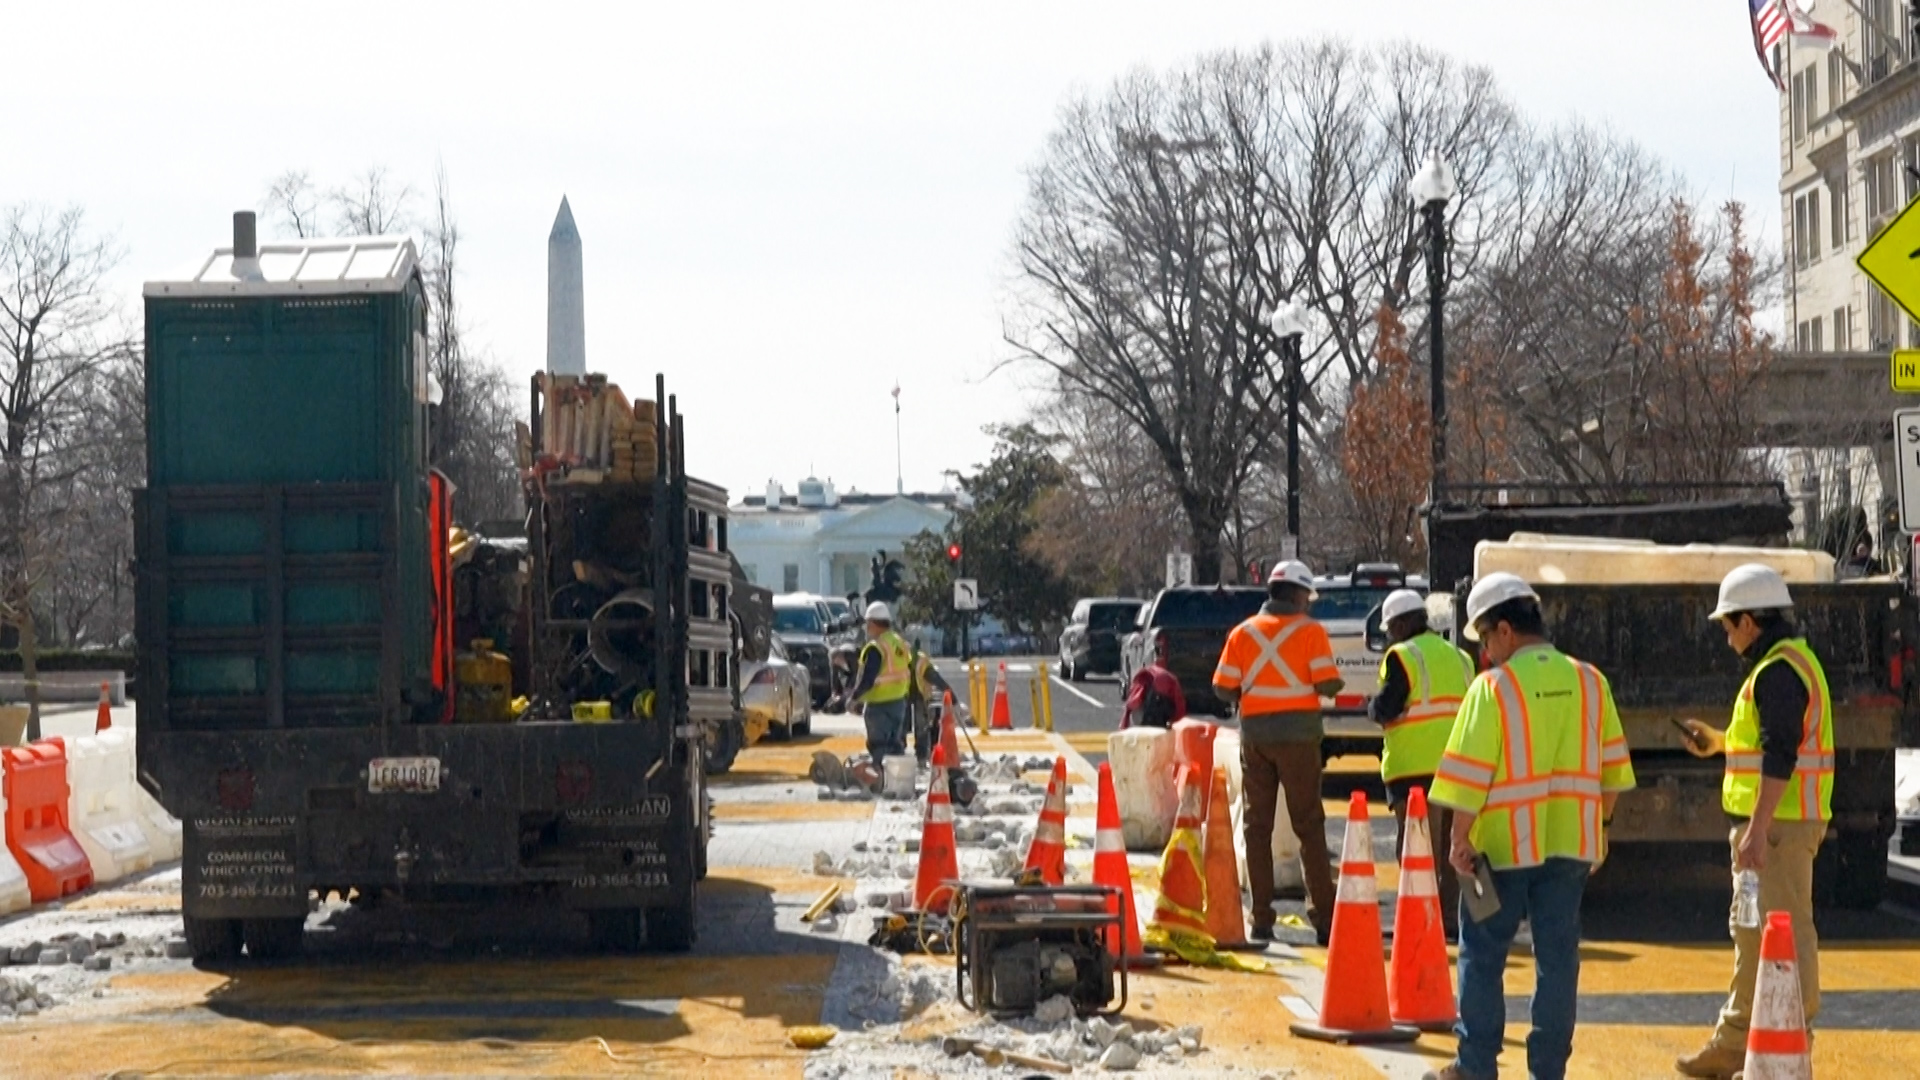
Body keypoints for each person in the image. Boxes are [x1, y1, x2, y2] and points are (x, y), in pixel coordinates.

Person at [1423, 573, 1635, 1080]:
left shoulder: (1493, 689)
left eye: (1485, 640)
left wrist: (1458, 840)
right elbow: (1614, 774)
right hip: (1571, 850)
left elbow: (1469, 778)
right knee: (1558, 960)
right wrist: (1599, 828)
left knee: (1483, 954)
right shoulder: (1591, 681)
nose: (1486, 654)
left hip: (1500, 851)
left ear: (1504, 632)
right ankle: (1547, 1071)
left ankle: (1475, 1067)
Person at [1673, 564, 1831, 1080]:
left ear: (1750, 621)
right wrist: (1717, 742)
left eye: (1728, 624)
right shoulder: (1781, 667)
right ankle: (1739, 1040)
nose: (1725, 635)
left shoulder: (1779, 672)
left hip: (1779, 827)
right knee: (1753, 933)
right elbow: (1766, 744)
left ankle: (1786, 1044)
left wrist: (1759, 828)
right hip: (1773, 824)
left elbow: (1781, 752)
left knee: (1783, 935)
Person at [1212, 559, 1343, 943]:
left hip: (1256, 739)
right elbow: (1328, 684)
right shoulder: (1310, 631)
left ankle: (1262, 918)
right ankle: (1323, 919)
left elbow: (1222, 687)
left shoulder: (1242, 632)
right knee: (1309, 826)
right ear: (1299, 594)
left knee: (1257, 828)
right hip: (1300, 739)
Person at [1369, 587, 1475, 936]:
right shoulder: (1461, 657)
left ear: (1401, 625)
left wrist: (1369, 708)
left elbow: (1387, 707)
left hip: (1413, 768)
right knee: (1452, 847)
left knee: (1416, 848)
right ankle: (1450, 920)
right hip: (1457, 767)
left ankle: (1417, 920)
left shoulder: (1402, 656)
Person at [847, 601, 915, 764]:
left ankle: (881, 781)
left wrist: (853, 698)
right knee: (895, 746)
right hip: (899, 702)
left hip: (879, 705)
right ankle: (897, 781)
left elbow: (868, 679)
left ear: (872, 623)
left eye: (867, 624)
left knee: (879, 747)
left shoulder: (876, 647)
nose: (866, 628)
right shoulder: (899, 643)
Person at [1121, 629, 1187, 730]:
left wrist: (1124, 724)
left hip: (1145, 717)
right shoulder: (1171, 679)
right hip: (1164, 718)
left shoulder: (1145, 675)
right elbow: (1180, 708)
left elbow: (1133, 701)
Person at [906, 637, 954, 766]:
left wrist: (949, 694)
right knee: (916, 727)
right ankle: (918, 756)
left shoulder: (919, 661)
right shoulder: (917, 659)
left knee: (920, 727)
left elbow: (934, 678)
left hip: (916, 695)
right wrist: (950, 693)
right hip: (905, 695)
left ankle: (919, 756)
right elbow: (935, 678)